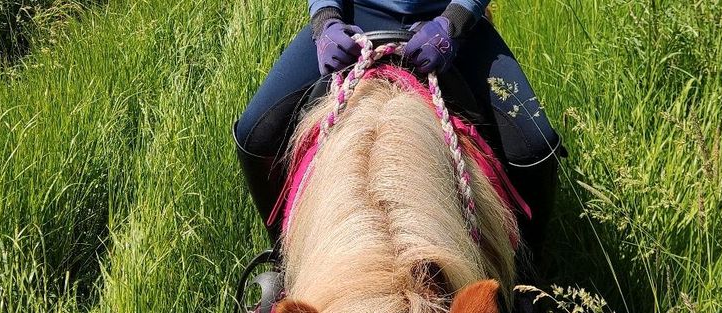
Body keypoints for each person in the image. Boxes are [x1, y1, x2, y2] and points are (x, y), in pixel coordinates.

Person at [232, 0, 565, 263]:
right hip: (355, 17)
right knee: (254, 134)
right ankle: (284, 258)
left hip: (447, 24)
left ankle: (527, 270)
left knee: (536, 147)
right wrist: (325, 20)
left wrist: (454, 21)